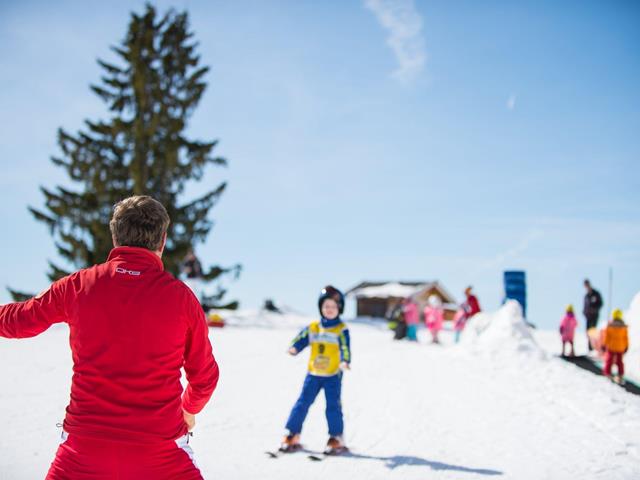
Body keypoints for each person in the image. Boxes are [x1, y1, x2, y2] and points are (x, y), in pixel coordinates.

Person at [0, 196, 219, 479]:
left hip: (83, 452)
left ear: (115, 237)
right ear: (162, 241)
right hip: (159, 453)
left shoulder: (79, 285)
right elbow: (205, 377)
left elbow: (20, 320)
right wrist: (188, 409)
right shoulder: (182, 299)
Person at [281, 285, 351, 455]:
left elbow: (345, 347)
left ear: (339, 308)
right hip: (313, 374)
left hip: (333, 375)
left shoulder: (341, 329)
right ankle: (292, 433)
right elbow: (300, 339)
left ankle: (336, 438)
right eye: (326, 306)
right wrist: (295, 348)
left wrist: (345, 361)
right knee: (302, 404)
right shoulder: (313, 327)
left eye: (333, 307)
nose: (329, 310)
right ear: (321, 307)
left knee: (333, 406)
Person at [602, 309, 629, 384]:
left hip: (611, 346)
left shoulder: (610, 325)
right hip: (620, 347)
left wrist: (604, 345)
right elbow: (625, 337)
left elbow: (607, 337)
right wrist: (626, 346)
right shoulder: (623, 326)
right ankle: (620, 375)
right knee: (619, 362)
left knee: (609, 360)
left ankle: (607, 373)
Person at [583, 279, 603, 351]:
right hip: (588, 316)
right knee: (588, 332)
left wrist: (595, 309)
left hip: (594, 315)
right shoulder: (586, 296)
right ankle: (590, 348)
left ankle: (594, 348)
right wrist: (584, 312)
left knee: (593, 331)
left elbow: (601, 303)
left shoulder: (596, 294)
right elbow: (585, 306)